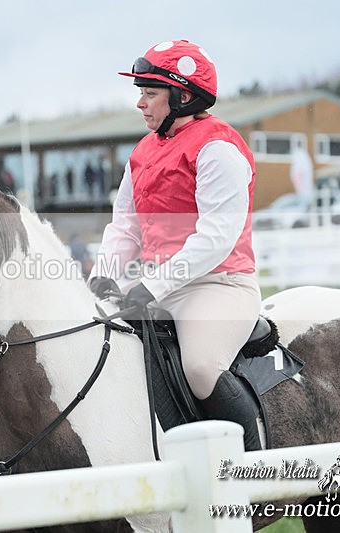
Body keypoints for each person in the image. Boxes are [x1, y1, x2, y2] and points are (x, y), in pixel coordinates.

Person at [88, 40, 262, 451]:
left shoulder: (219, 147)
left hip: (219, 286)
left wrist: (152, 286)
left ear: (183, 96)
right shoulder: (143, 151)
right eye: (140, 94)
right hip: (159, 286)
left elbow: (216, 237)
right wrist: (102, 276)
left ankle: (255, 468)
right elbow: (125, 227)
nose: (140, 104)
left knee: (201, 368)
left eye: (150, 94)